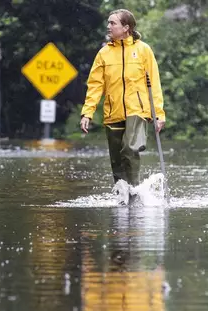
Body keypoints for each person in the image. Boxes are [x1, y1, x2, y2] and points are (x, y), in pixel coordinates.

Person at [80, 9, 166, 191]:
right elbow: (95, 86)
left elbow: (154, 84)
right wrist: (87, 113)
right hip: (113, 112)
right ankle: (122, 194)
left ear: (126, 27)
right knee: (116, 159)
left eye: (113, 23)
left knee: (129, 149)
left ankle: (134, 191)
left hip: (137, 111)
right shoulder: (103, 53)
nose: (108, 26)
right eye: (109, 23)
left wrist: (158, 113)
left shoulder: (143, 50)